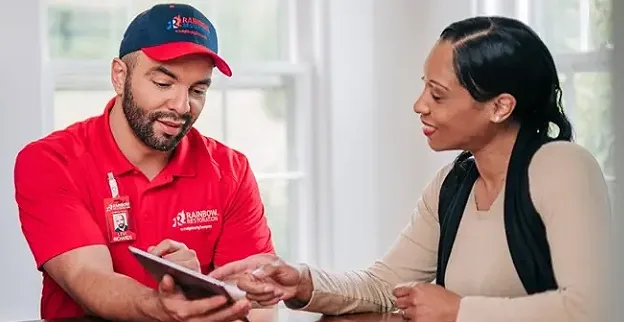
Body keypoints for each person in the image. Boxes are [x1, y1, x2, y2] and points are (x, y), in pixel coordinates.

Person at [209, 16, 611, 322]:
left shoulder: (562, 166)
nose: (420, 105)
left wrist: (460, 311)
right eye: (425, 87)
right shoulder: (454, 183)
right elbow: (384, 286)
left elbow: (592, 307)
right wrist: (302, 282)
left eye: (437, 94)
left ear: (500, 106)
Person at [14, 3, 275, 321]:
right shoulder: (50, 162)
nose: (181, 106)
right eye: (163, 84)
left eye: (197, 90)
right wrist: (161, 304)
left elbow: (260, 306)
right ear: (119, 76)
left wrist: (197, 290)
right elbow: (88, 279)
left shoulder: (231, 171)